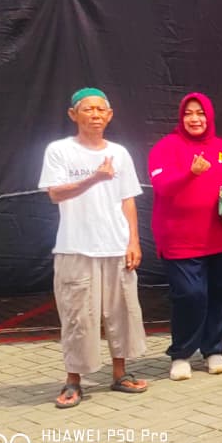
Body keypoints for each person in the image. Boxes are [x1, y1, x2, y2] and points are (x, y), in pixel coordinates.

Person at [39, 87, 147, 408]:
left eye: (101, 110)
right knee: (77, 316)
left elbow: (128, 199)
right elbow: (56, 193)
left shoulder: (120, 152)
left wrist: (134, 240)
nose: (96, 115)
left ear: (110, 115)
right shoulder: (59, 150)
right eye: (88, 110)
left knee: (122, 312)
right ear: (73, 114)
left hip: (116, 246)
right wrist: (94, 178)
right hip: (76, 248)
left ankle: (120, 374)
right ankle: (74, 381)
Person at [148, 93, 222, 381]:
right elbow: (162, 186)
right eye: (189, 114)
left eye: (200, 113)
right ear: (181, 118)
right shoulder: (166, 148)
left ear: (210, 117)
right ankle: (181, 354)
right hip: (180, 241)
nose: (195, 119)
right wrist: (189, 173)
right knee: (190, 296)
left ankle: (214, 349)